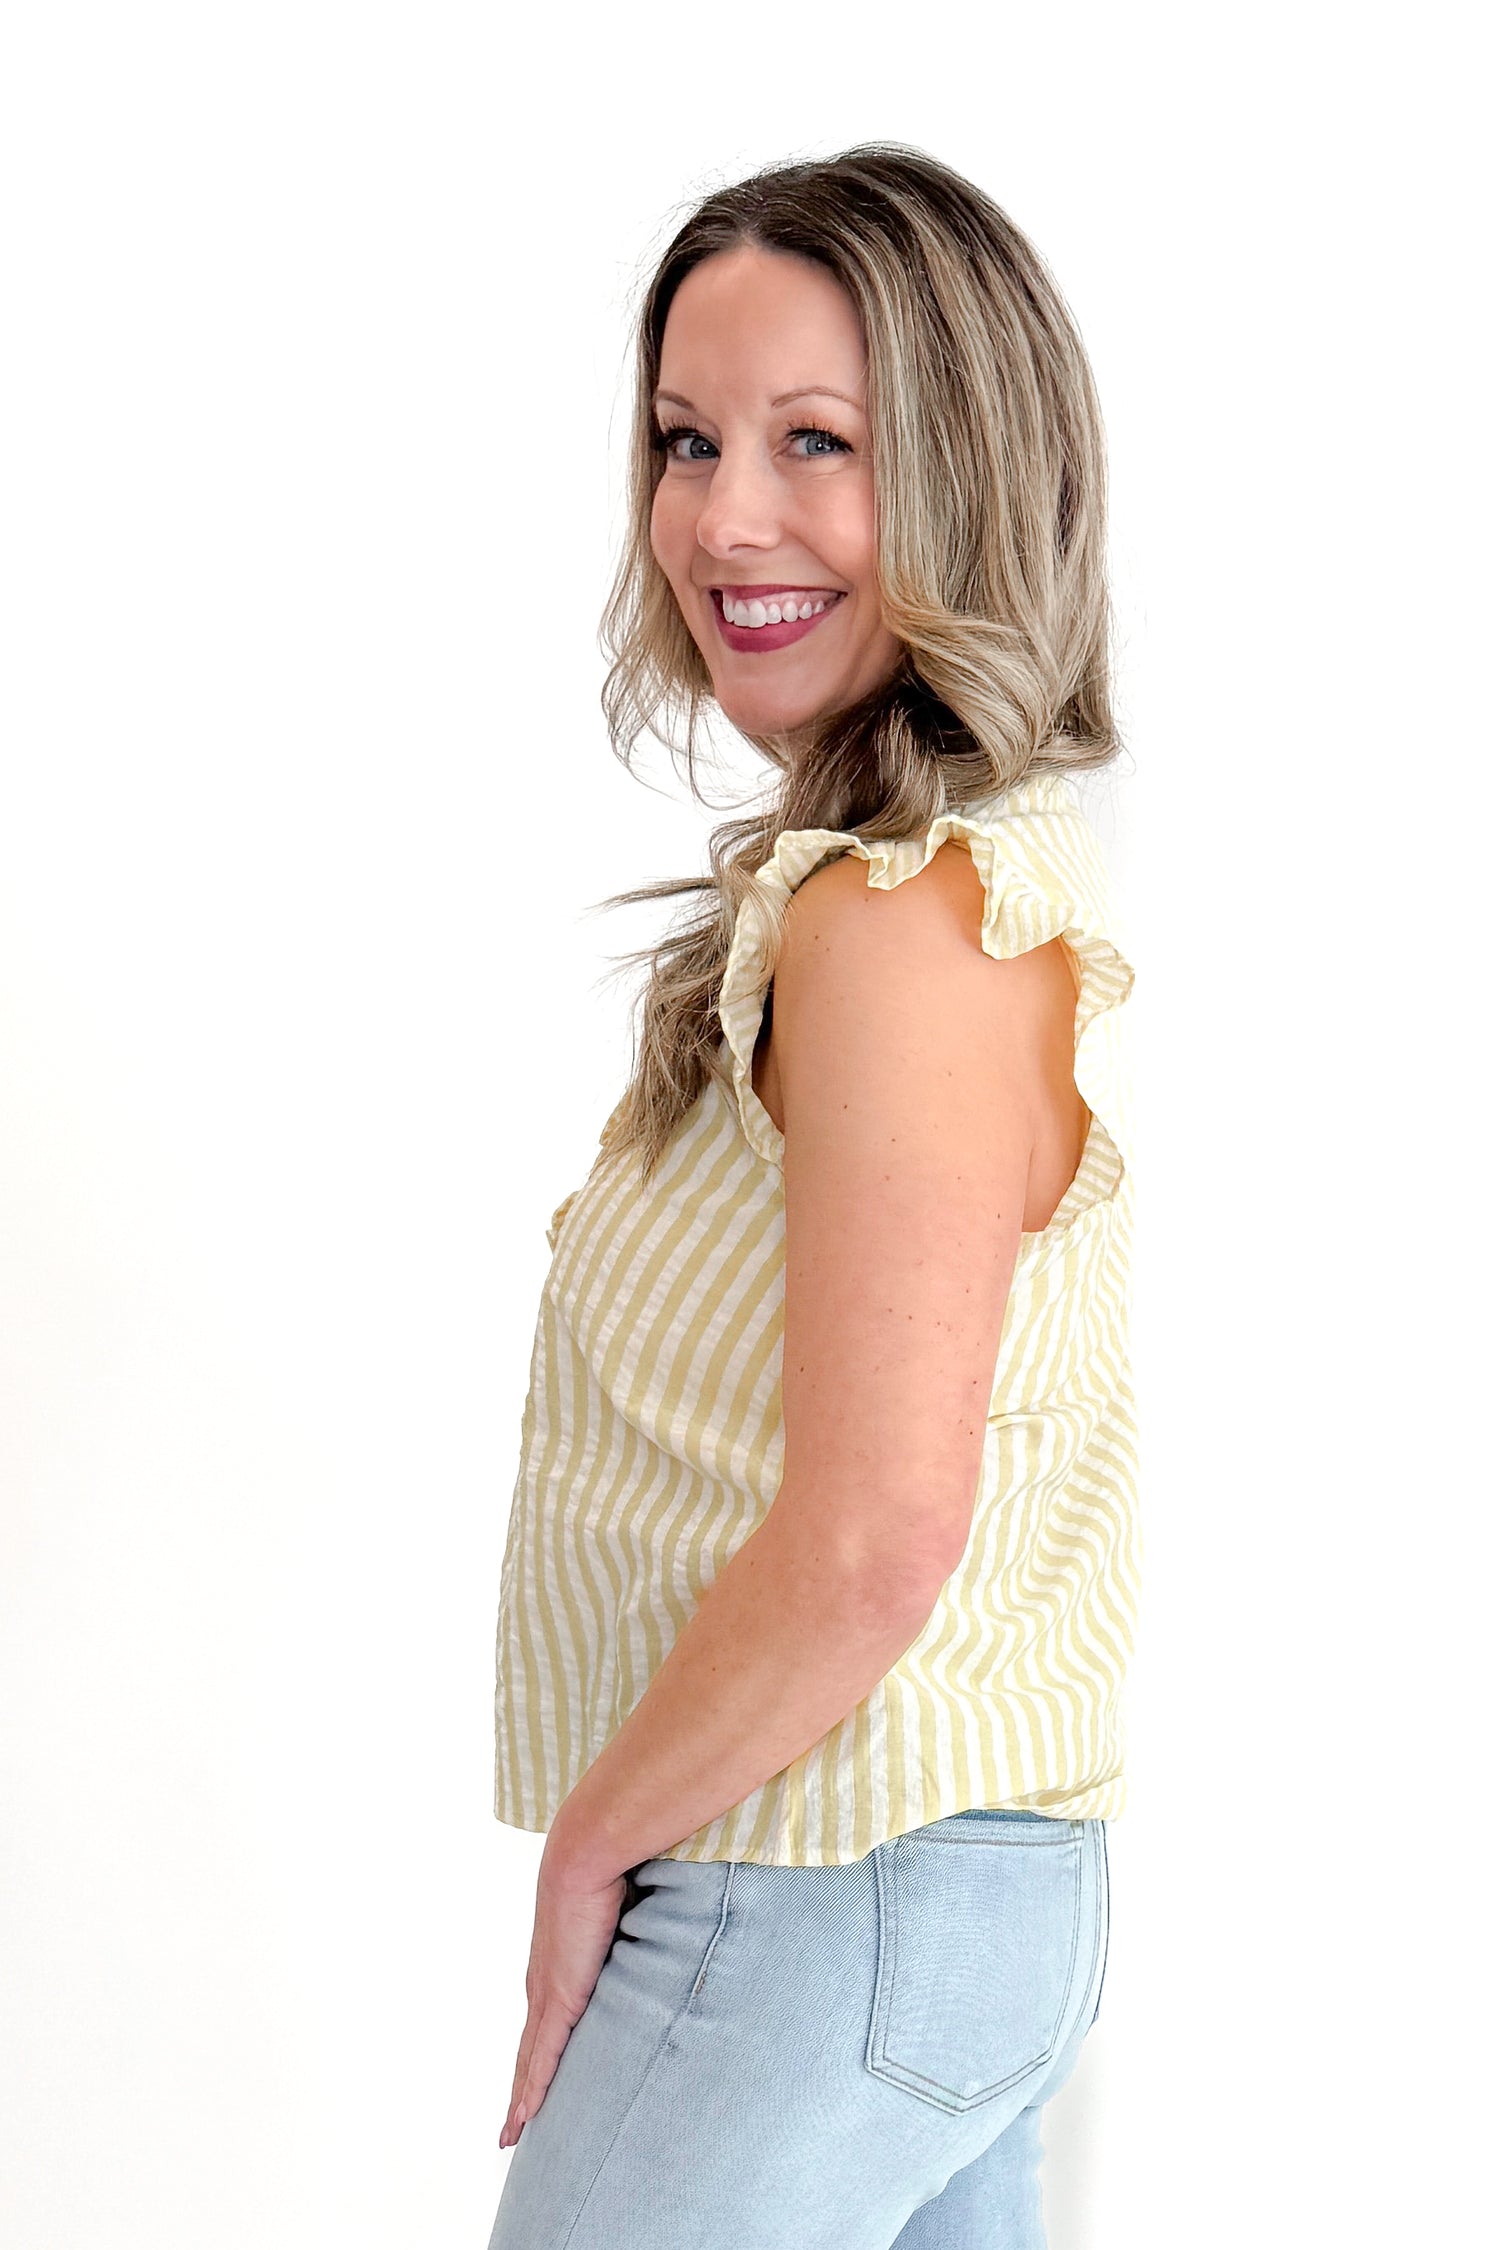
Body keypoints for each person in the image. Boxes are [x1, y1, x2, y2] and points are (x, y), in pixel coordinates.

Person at [485, 141, 1138, 2250]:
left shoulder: (901, 923)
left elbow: (874, 1538)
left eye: (817, 445)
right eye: (688, 439)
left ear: (966, 474)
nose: (724, 519)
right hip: (941, 1899)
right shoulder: (907, 897)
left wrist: (598, 1842)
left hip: (815, 1870)